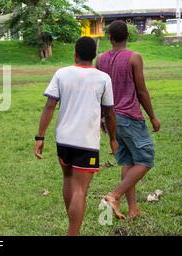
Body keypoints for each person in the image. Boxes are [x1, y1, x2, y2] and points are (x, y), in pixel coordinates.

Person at [34, 37, 118, 236]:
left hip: (63, 140)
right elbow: (109, 113)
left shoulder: (61, 73)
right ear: (94, 56)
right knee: (80, 190)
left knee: (68, 179)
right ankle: (73, 233)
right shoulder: (103, 78)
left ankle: (73, 227)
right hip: (86, 142)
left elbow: (49, 106)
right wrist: (113, 139)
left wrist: (40, 137)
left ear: (75, 53)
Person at [97, 20, 161, 220]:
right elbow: (141, 91)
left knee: (128, 160)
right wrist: (152, 116)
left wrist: (101, 117)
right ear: (128, 36)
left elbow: (99, 91)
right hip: (129, 117)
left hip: (111, 118)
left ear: (110, 37)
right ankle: (114, 195)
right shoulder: (134, 58)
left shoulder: (100, 59)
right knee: (145, 159)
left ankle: (133, 209)